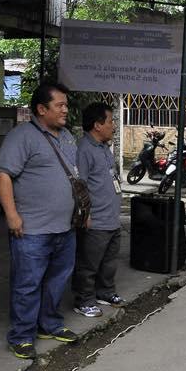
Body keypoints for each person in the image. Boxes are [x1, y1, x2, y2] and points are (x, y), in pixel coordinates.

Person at [0, 83, 80, 359]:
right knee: (27, 283)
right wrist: (11, 215)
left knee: (57, 281)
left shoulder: (67, 136)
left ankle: (49, 324)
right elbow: (2, 174)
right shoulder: (22, 136)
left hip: (65, 227)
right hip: (32, 229)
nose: (65, 110)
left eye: (66, 105)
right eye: (60, 105)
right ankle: (21, 335)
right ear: (41, 109)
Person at [72, 102, 126, 319]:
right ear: (97, 125)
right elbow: (79, 185)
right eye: (111, 121)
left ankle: (105, 291)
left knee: (109, 261)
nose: (113, 126)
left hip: (111, 217)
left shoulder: (104, 147)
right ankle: (83, 300)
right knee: (88, 264)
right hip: (96, 221)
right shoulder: (84, 149)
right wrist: (86, 215)